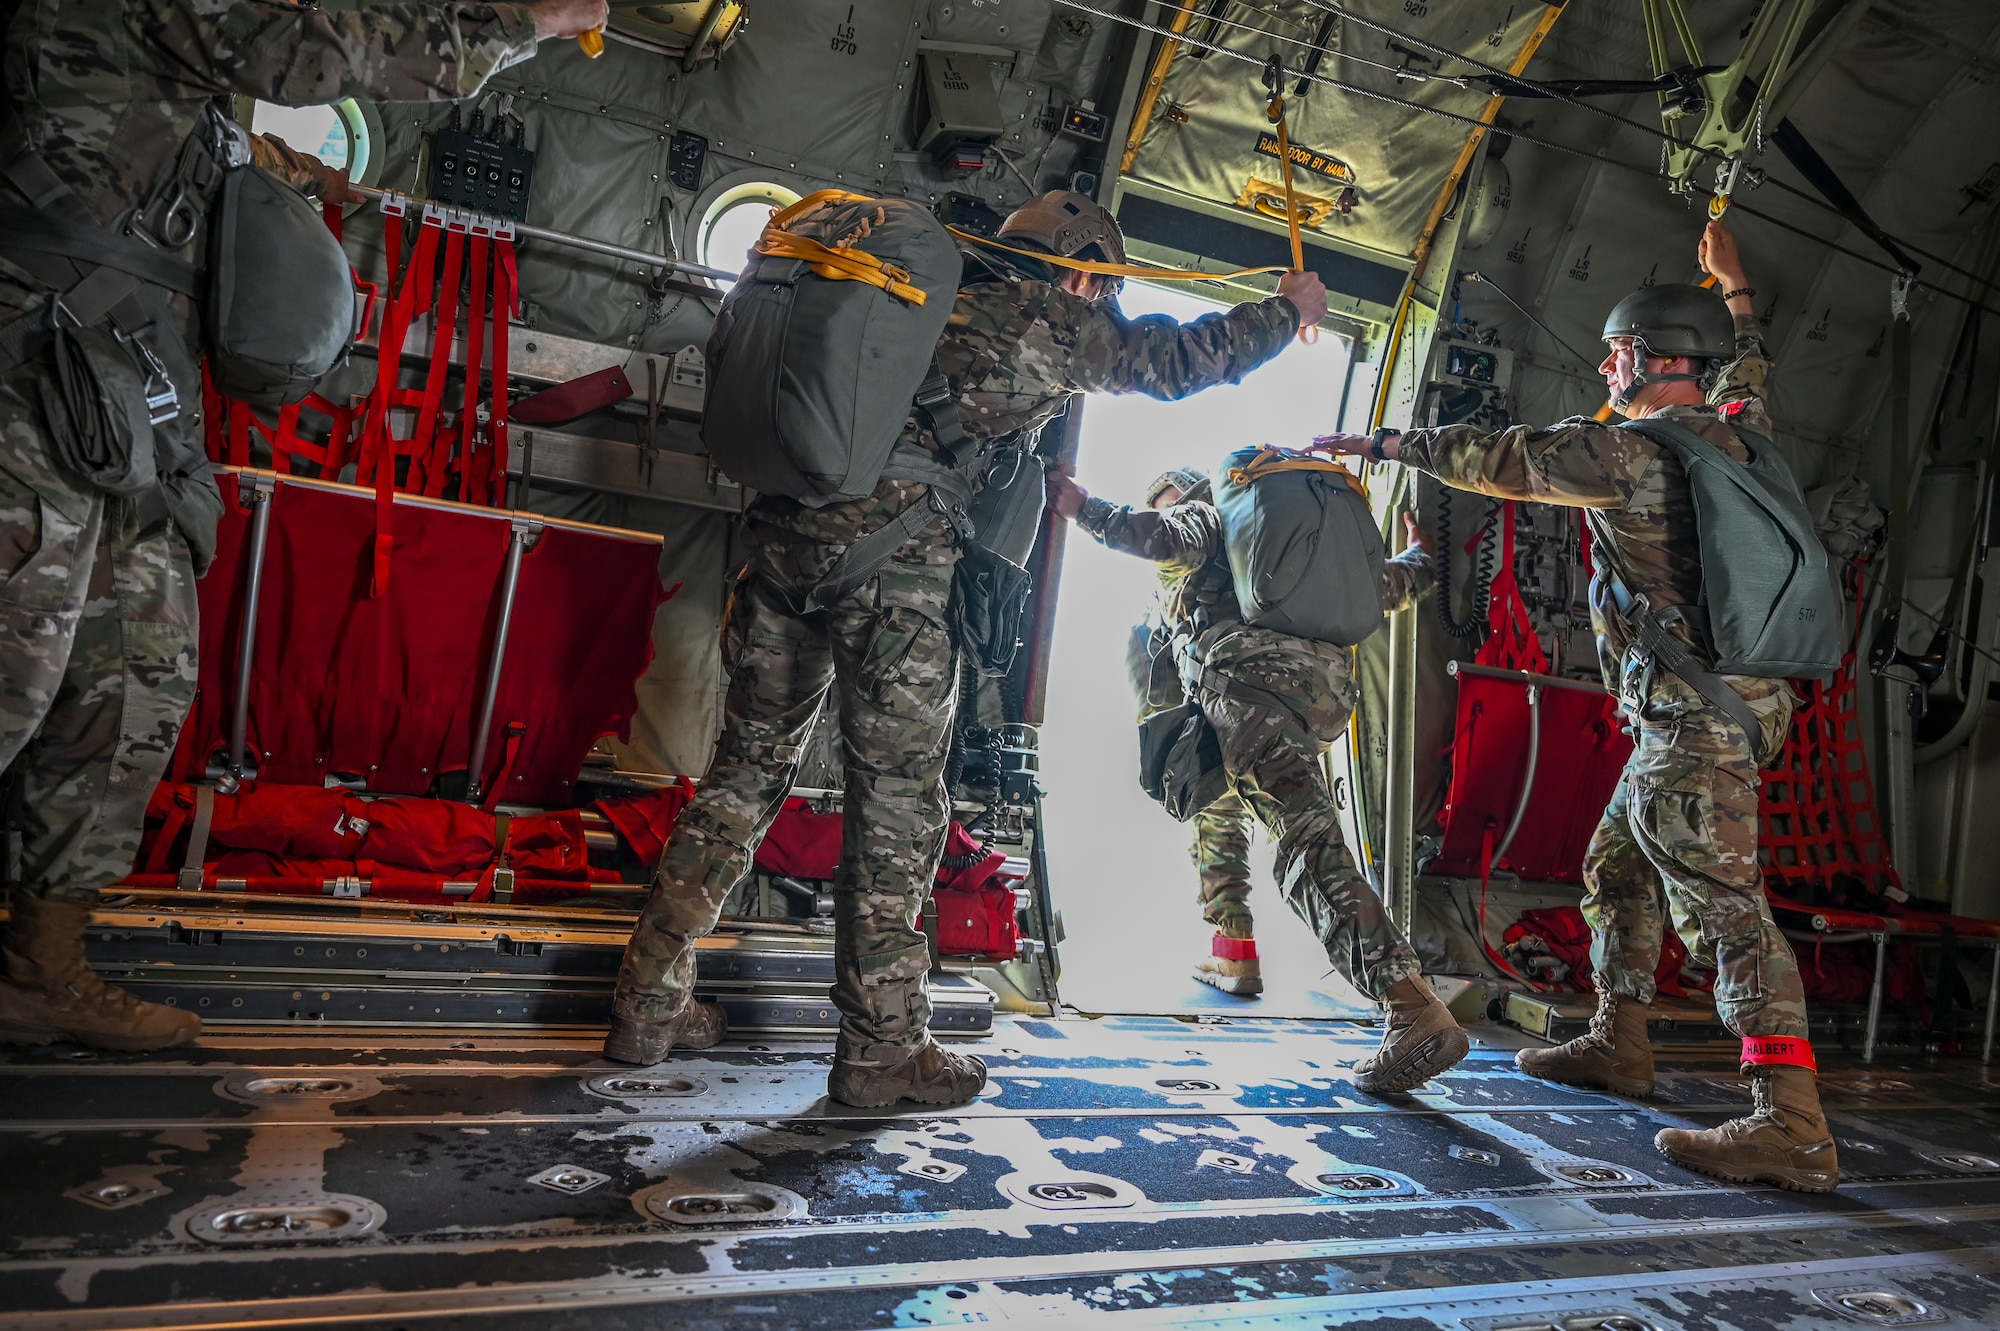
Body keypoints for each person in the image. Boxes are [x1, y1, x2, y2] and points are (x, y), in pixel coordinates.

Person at [606, 190, 1331, 1108]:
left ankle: (646, 1001)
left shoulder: (910, 297)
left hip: (780, 550)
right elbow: (1179, 361)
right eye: (1096, 284)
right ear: (1079, 268)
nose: (1095, 301)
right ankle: (880, 1051)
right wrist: (1289, 310)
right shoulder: (1039, 315)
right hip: (892, 572)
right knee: (900, 803)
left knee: (743, 775)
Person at [0, 0, 609, 1052]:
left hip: (122, 395)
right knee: (13, 674)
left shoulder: (186, 104)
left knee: (134, 686)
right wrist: (528, 17)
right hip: (25, 369)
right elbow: (312, 49)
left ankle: (40, 967)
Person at [1312, 220, 1839, 1192]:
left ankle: (1788, 1122)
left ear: (1643, 359)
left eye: (1614, 350)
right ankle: (1617, 1040)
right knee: (1615, 870)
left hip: (1692, 721)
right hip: (1720, 712)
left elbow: (1498, 456)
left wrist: (1385, 442)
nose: (1604, 362)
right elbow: (1749, 370)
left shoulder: (1627, 453)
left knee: (1725, 910)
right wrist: (1738, 298)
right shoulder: (1739, 434)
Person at [1048, 461, 1472, 1094]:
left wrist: (1082, 506)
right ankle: (1249, 953)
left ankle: (1409, 1005)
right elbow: (1385, 587)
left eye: (1169, 499)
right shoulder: (1278, 549)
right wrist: (1420, 552)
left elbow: (1158, 537)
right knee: (1297, 829)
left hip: (1252, 697)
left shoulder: (1205, 519)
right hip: (1318, 699)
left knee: (1307, 850)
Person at [1130, 467, 1265, 996]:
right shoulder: (1254, 557)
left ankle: (1236, 954)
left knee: (1218, 828)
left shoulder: (1186, 583)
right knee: (1306, 838)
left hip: (1225, 711)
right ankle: (1383, 976)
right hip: (1284, 709)